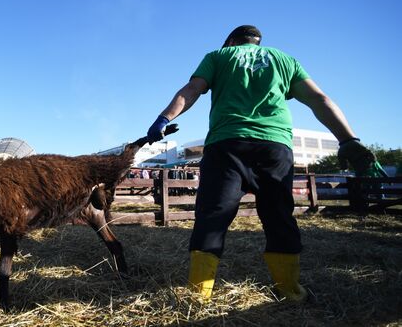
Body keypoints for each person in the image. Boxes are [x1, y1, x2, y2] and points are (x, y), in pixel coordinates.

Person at [146, 25, 376, 302]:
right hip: (274, 146)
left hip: (227, 144)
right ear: (257, 42)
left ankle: (199, 294)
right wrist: (347, 139)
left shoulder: (219, 56)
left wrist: (164, 118)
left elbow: (192, 88)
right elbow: (319, 99)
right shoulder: (284, 59)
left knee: (213, 215)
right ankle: (290, 291)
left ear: (231, 41)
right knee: (279, 214)